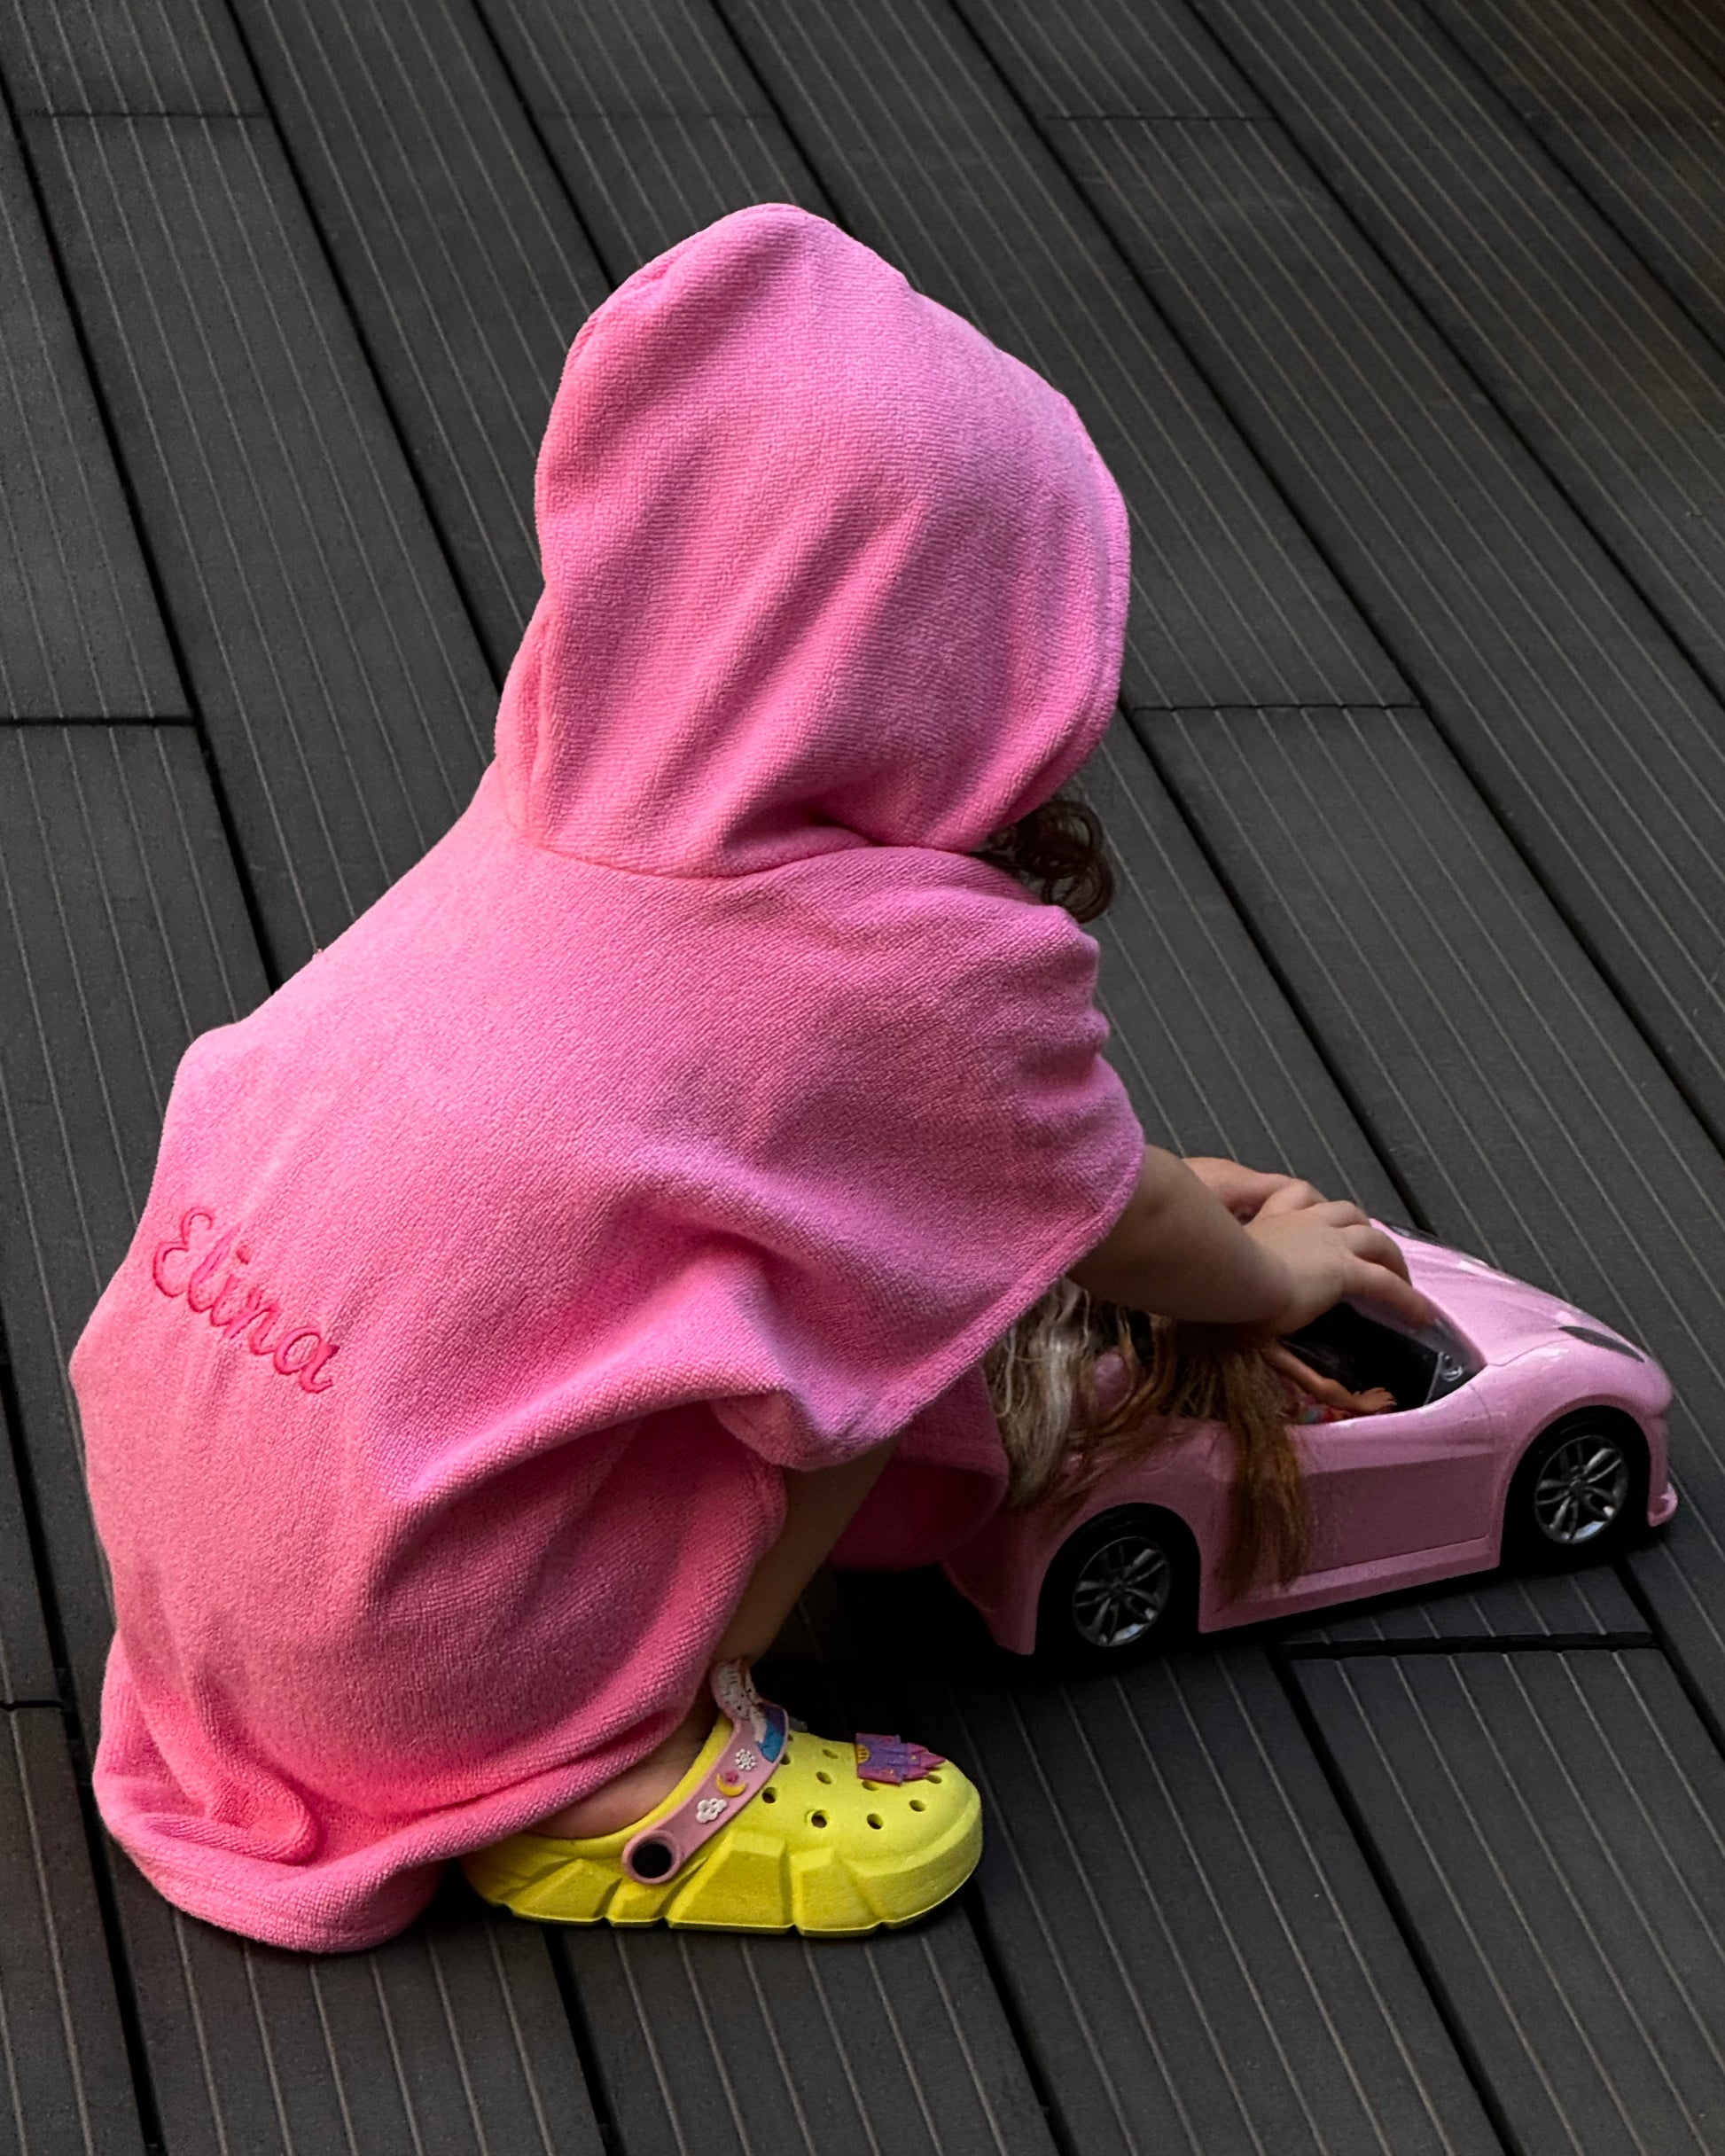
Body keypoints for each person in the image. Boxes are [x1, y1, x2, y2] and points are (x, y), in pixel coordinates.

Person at [66, 203, 1433, 1957]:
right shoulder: (911, 966)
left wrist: (1106, 1193)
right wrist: (1267, 1273)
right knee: (872, 1298)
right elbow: (1096, 1212)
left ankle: (461, 1688)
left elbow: (864, 1138)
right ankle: (620, 1777)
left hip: (201, 1582)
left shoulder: (542, 793)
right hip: (417, 1660)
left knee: (804, 1239)